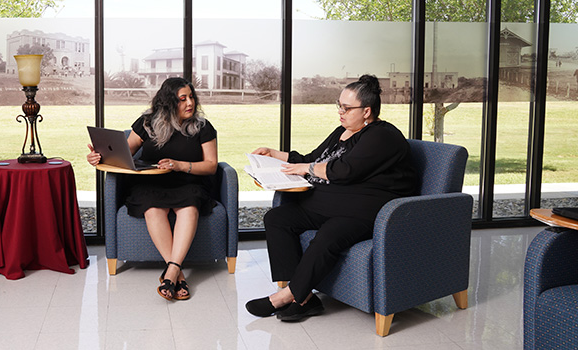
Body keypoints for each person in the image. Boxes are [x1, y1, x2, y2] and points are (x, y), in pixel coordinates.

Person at [245, 74, 418, 321]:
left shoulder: (382, 135)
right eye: (339, 105)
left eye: (347, 108)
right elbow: (312, 157)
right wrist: (274, 154)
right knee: (277, 218)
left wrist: (307, 169)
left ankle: (284, 297)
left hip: (368, 211)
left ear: (367, 111)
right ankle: (304, 299)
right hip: (333, 203)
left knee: (330, 234)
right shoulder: (342, 131)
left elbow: (344, 170)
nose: (340, 112)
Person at [86, 77, 218, 301]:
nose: (190, 103)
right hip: (150, 183)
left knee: (190, 206)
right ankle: (177, 274)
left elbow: (211, 166)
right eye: (182, 99)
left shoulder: (202, 127)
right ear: (167, 103)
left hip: (188, 182)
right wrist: (99, 157)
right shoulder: (147, 123)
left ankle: (171, 273)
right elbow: (122, 154)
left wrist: (179, 165)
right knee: (152, 208)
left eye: (191, 97)